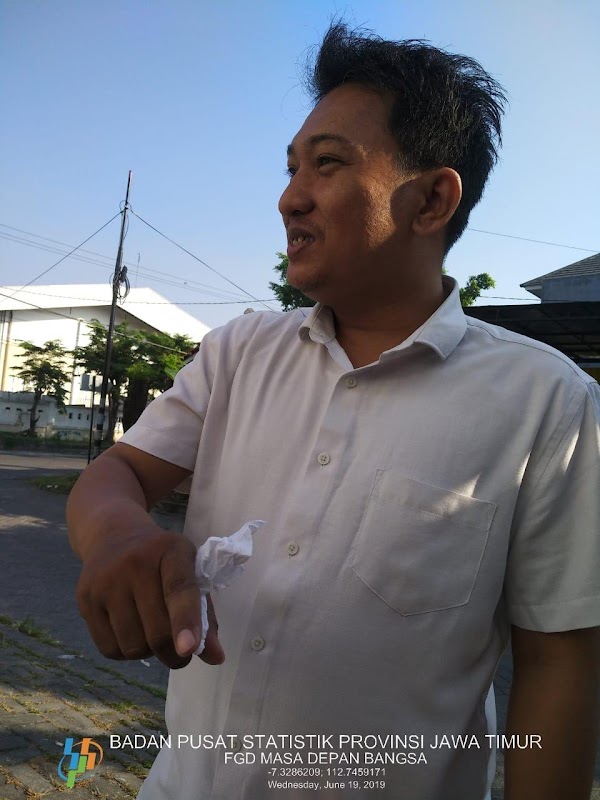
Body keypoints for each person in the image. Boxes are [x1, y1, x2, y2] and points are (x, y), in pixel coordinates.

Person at [67, 22, 600, 800]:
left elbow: (558, 660)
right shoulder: (238, 353)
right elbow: (118, 471)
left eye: (328, 163)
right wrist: (120, 536)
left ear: (432, 200)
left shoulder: (547, 402)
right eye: (291, 167)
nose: (290, 197)